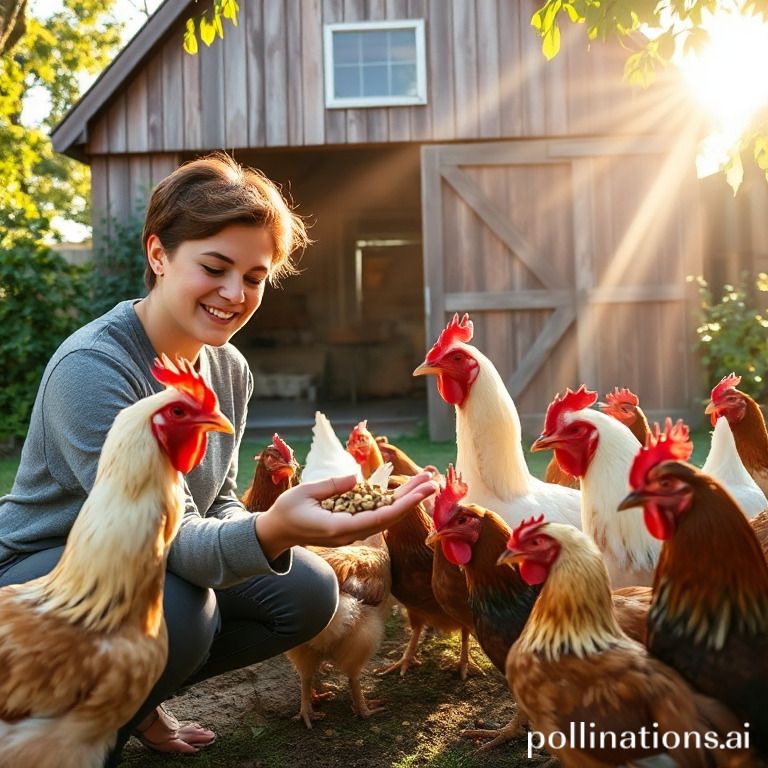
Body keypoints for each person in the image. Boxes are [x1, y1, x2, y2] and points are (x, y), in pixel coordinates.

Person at [0, 153, 436, 764]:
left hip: (143, 566)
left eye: (255, 277)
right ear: (158, 255)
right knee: (184, 609)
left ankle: (136, 693)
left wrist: (273, 528)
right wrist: (274, 528)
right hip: (47, 571)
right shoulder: (93, 368)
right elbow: (161, 538)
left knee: (310, 593)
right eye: (215, 267)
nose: (234, 294)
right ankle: (91, 732)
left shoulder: (228, 367)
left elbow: (216, 499)